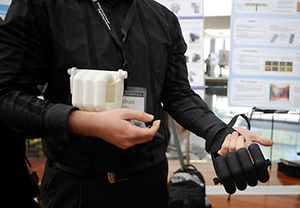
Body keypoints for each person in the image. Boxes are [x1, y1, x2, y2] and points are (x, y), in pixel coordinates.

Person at [0, 0, 273, 207]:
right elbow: (6, 97)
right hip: (75, 188)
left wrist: (219, 132)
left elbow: (177, 93)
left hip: (150, 186)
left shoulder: (163, 19)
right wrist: (83, 122)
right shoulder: (44, 7)